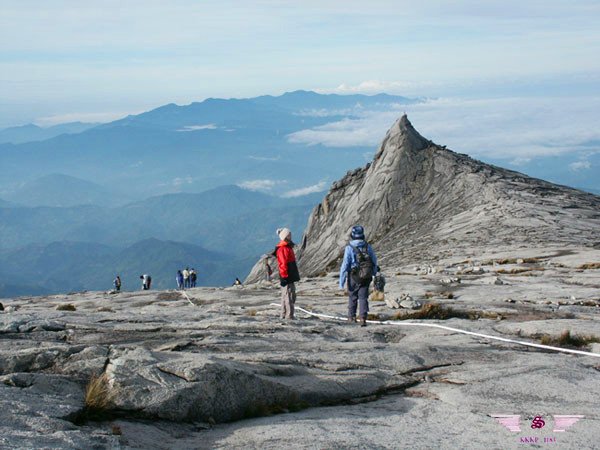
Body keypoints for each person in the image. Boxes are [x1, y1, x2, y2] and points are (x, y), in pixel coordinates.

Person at [339, 225, 378, 327]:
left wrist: (341, 282)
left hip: (353, 276)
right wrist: (374, 273)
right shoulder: (367, 246)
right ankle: (363, 318)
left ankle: (351, 317)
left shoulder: (349, 248)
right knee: (363, 297)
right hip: (366, 276)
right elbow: (374, 260)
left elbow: (345, 264)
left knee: (353, 296)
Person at [275, 227, 300, 320]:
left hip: (289, 275)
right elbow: (282, 263)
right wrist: (284, 277)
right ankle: (289, 316)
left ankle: (284, 314)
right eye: (289, 235)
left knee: (288, 295)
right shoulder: (283, 248)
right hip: (287, 276)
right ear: (285, 237)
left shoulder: (287, 247)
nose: (290, 236)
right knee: (288, 296)